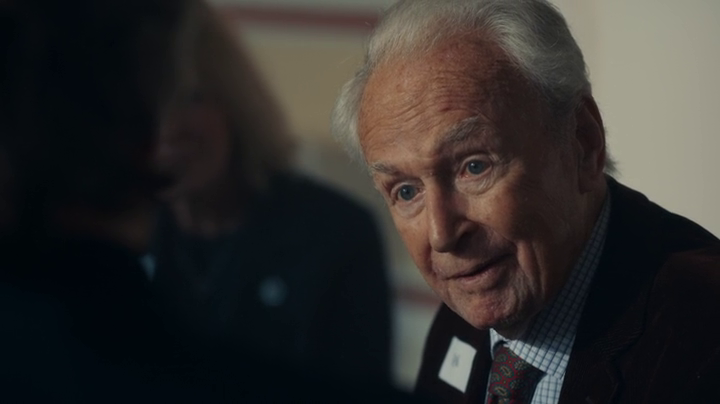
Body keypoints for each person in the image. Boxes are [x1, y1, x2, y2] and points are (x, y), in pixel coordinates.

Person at [331, 0, 720, 403]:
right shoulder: (470, 306)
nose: (442, 234)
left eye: (474, 166)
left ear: (583, 142)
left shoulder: (704, 340)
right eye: (406, 191)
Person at [149, 0, 392, 383]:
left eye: (191, 98)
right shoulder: (108, 236)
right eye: (149, 103)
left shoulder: (336, 233)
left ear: (234, 102)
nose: (168, 128)